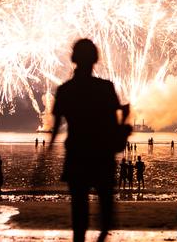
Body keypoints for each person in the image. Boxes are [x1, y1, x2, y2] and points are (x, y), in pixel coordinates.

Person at [50, 38, 130, 242]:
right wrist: (125, 122)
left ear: (74, 58)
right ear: (95, 59)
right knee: (105, 214)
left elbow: (56, 128)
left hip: (77, 156)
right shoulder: (105, 88)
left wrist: (44, 155)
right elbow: (113, 125)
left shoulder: (65, 90)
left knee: (79, 213)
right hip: (102, 156)